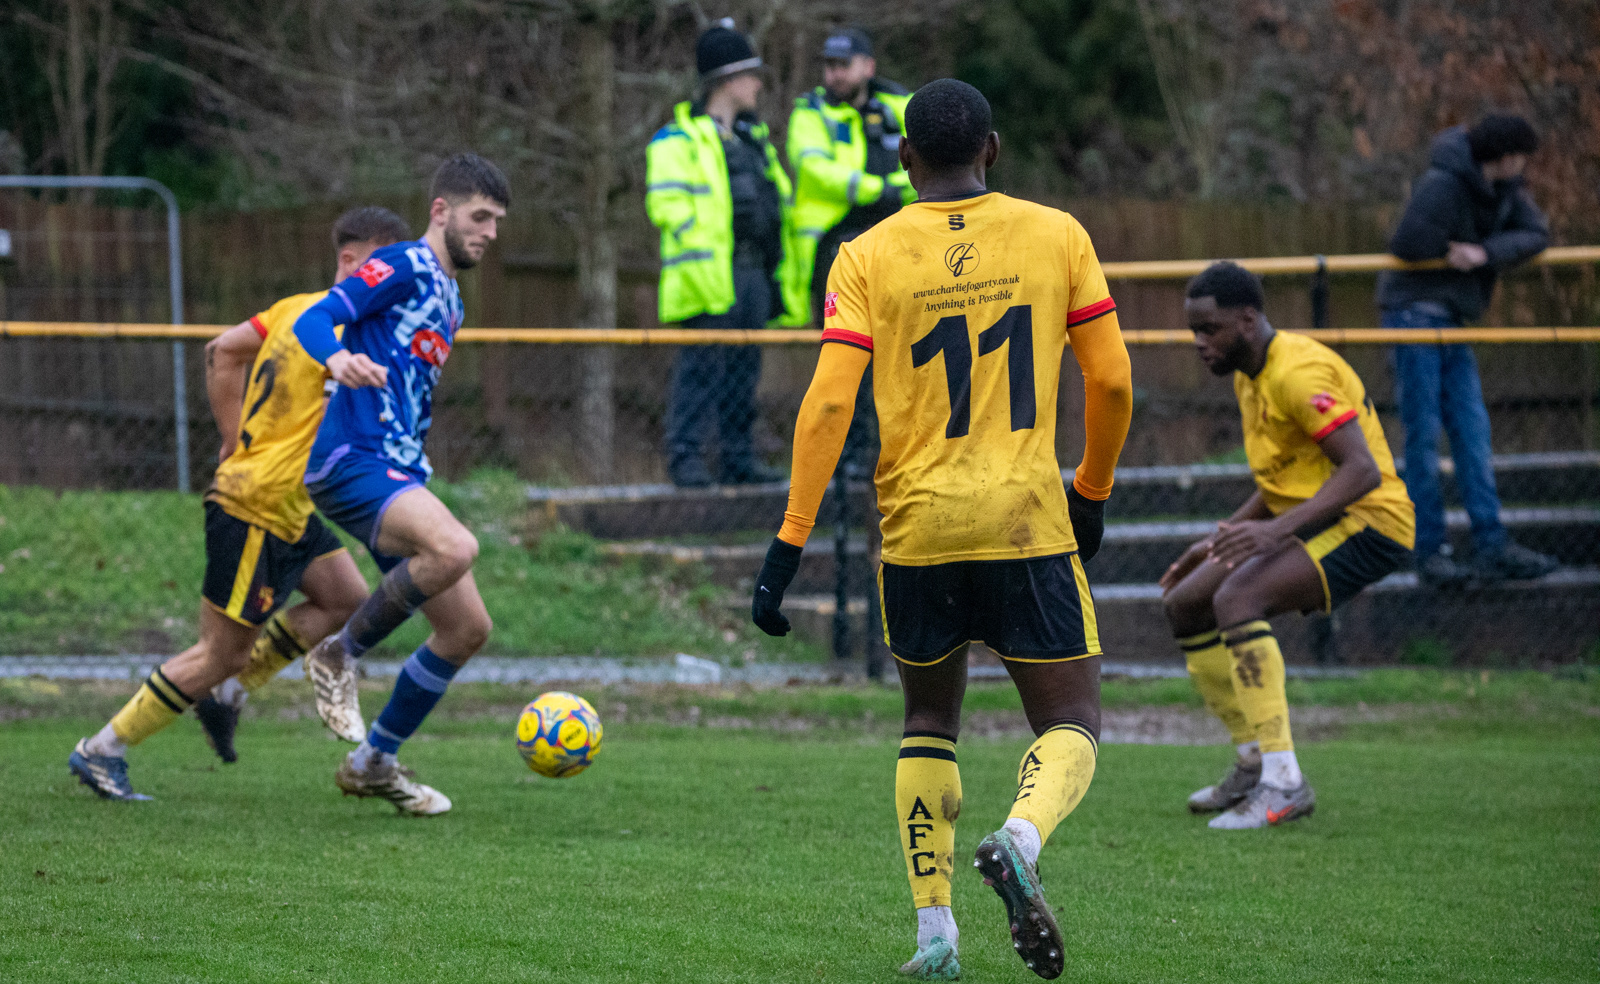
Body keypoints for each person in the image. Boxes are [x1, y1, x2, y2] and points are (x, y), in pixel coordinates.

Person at [750, 79, 1133, 981]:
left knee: (928, 721)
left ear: (904, 157)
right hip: (1026, 521)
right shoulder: (1058, 234)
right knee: (1071, 718)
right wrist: (1092, 491)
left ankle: (935, 936)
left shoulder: (865, 254)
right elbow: (1113, 380)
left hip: (917, 528)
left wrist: (790, 540)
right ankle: (1021, 840)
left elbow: (828, 403)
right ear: (992, 149)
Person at [67, 207, 411, 800]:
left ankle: (229, 691)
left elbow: (222, 351)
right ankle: (102, 749)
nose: (392, 282)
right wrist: (239, 447)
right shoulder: (336, 330)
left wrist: (234, 439)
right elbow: (224, 354)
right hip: (257, 507)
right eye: (383, 268)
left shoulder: (294, 309)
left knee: (346, 599)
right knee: (217, 653)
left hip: (289, 507)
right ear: (350, 262)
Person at [1163, 261, 1415, 830]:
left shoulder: (1297, 373)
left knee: (1237, 598)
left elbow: (1362, 471)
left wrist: (1274, 532)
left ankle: (1284, 784)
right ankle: (1253, 762)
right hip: (1317, 518)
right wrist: (1215, 542)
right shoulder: (1249, 374)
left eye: (1209, 329)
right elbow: (1283, 479)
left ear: (1248, 320)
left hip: (1373, 522)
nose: (1199, 342)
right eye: (1194, 330)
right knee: (1186, 603)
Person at [292, 153, 508, 817]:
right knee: (455, 547)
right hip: (352, 458)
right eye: (479, 216)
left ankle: (372, 762)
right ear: (440, 210)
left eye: (497, 222)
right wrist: (338, 359)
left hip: (397, 470)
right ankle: (338, 653)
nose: (490, 232)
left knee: (466, 628)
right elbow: (313, 320)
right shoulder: (402, 265)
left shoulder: (452, 298)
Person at [1377, 113, 1557, 588]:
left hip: (1452, 320)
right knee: (1423, 434)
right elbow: (1407, 242)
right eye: (1520, 157)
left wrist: (1483, 253)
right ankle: (1429, 548)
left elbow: (1536, 234)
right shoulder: (1443, 184)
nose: (1523, 166)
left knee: (1472, 430)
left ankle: (1491, 543)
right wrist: (1450, 249)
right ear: (1506, 157)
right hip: (1414, 317)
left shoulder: (1506, 190)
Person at [646, 18, 807, 488]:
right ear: (728, 79)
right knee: (699, 371)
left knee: (744, 371)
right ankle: (686, 462)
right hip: (709, 273)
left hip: (755, 274)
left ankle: (739, 461)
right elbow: (666, 205)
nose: (758, 85)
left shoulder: (755, 142)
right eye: (752, 74)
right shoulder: (677, 140)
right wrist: (700, 240)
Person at [787, 27, 915, 479]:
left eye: (843, 65)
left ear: (868, 66)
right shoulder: (811, 112)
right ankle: (847, 454)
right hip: (836, 249)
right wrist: (877, 189)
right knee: (844, 355)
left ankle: (895, 450)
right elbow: (813, 166)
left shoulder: (901, 105)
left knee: (900, 353)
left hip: (899, 248)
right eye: (829, 65)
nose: (835, 74)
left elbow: (934, 156)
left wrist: (895, 190)